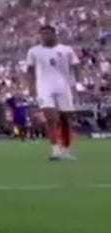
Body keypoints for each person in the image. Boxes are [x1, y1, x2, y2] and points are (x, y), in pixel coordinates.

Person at [25, 24, 80, 161]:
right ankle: (55, 149)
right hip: (44, 87)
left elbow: (76, 65)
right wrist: (31, 87)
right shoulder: (34, 51)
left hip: (63, 86)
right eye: (42, 34)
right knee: (50, 118)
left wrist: (77, 83)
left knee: (65, 119)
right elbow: (30, 71)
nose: (45, 36)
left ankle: (66, 149)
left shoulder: (66, 50)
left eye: (48, 33)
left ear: (55, 34)